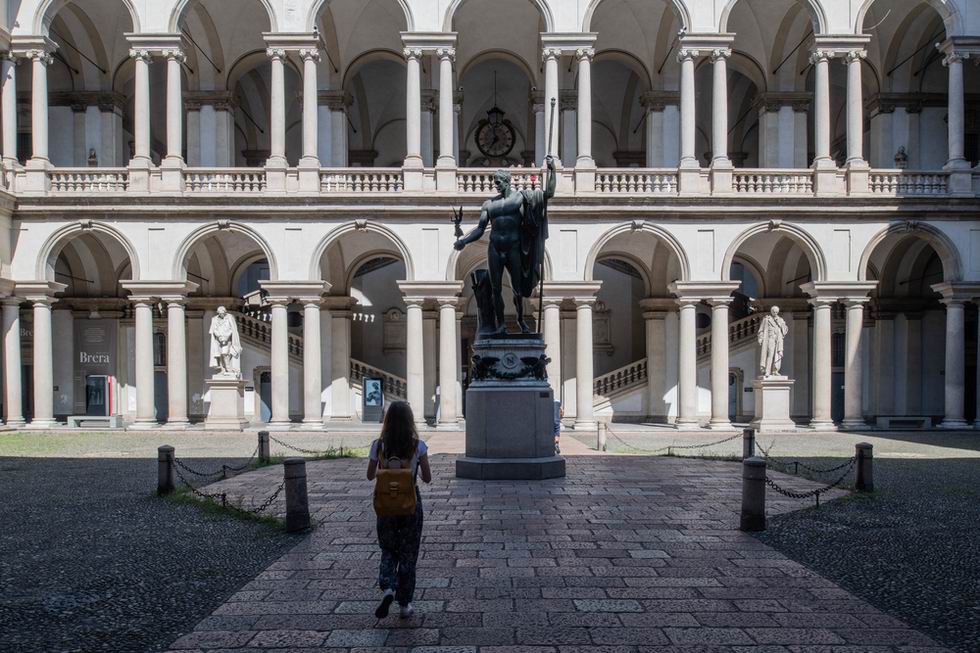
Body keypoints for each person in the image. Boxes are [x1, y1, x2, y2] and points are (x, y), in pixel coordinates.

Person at [367, 401, 432, 619]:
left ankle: (387, 588)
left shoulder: (378, 445)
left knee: (388, 549)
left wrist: (386, 468)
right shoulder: (418, 445)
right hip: (410, 503)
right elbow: (428, 478)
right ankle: (405, 604)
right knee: (408, 554)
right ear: (409, 421)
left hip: (386, 505)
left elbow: (369, 475)